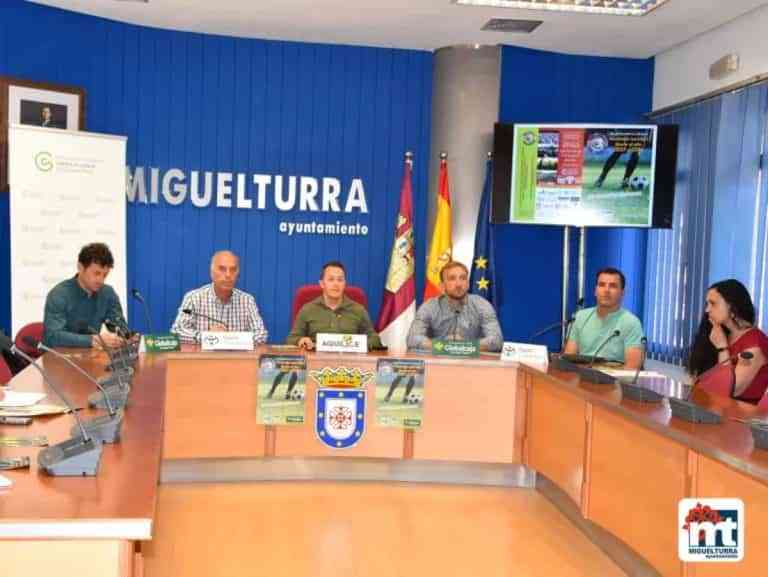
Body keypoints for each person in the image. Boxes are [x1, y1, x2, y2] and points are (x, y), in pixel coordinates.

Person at [687, 279, 768, 404]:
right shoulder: (721, 334)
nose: (707, 310)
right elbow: (698, 380)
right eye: (706, 304)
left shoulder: (755, 341)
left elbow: (730, 390)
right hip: (712, 407)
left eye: (713, 304)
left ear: (732, 306)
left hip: (742, 417)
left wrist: (722, 348)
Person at [171, 250, 268, 344]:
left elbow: (261, 334)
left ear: (238, 274)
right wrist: (206, 337)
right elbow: (177, 331)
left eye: (233, 269)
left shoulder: (247, 301)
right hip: (203, 359)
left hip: (236, 359)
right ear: (211, 272)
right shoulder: (193, 298)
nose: (228, 275)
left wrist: (230, 339)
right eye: (222, 269)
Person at [43, 243, 127, 349]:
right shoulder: (59, 294)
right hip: (58, 358)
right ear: (80, 268)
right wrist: (92, 340)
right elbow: (53, 337)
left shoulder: (107, 293)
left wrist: (122, 337)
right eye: (96, 273)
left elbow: (120, 328)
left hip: (90, 358)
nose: (101, 280)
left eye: (105, 275)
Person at [406, 260, 503, 352]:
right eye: (452, 278)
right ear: (442, 286)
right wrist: (443, 346)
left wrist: (465, 346)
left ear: (468, 284)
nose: (459, 284)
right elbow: (413, 339)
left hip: (473, 364)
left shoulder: (482, 305)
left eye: (463, 278)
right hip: (439, 364)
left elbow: (496, 340)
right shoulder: (429, 307)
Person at [286, 261, 382, 350]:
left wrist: (357, 344)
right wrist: (301, 340)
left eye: (340, 280)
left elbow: (375, 340)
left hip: (350, 363)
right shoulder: (308, 309)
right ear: (322, 284)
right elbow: (291, 339)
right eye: (331, 279)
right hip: (316, 363)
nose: (336, 284)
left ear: (345, 284)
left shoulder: (358, 310)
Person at [564, 267, 644, 369]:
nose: (606, 290)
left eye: (613, 286)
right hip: (582, 378)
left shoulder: (631, 322)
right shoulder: (580, 317)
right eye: (601, 285)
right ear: (595, 291)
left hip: (615, 381)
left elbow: (632, 367)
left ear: (622, 293)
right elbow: (569, 359)